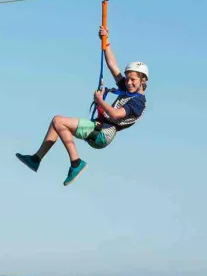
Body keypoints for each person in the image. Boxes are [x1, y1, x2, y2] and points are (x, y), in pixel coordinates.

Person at [15, 26, 148, 186]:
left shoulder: (138, 102)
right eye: (127, 79)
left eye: (133, 79)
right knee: (55, 123)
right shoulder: (127, 90)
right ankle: (36, 159)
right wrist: (106, 41)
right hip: (99, 127)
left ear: (143, 81)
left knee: (59, 121)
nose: (129, 82)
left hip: (103, 134)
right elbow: (112, 65)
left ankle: (76, 163)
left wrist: (100, 101)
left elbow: (115, 114)